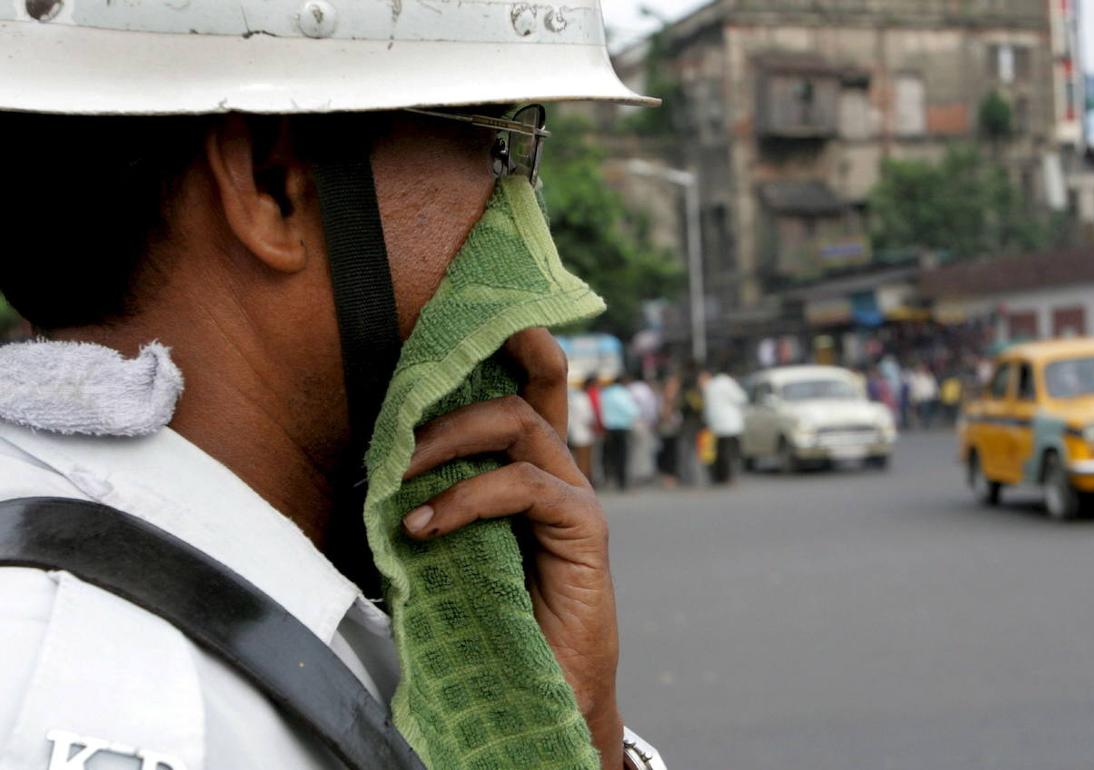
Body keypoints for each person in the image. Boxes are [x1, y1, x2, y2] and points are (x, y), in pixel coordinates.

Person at [0, 4, 664, 770]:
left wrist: (566, 729)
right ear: (272, 183)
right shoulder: (111, 695)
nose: (532, 256)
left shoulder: (279, 603)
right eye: (498, 149)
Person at [701, 368, 748, 485]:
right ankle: (728, 476)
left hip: (715, 424)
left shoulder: (710, 385)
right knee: (730, 453)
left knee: (719, 452)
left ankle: (719, 476)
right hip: (730, 424)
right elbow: (741, 398)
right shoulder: (728, 383)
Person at [599, 375, 640, 491]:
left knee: (609, 455)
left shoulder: (605, 393)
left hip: (608, 427)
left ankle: (608, 479)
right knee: (622, 455)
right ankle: (621, 481)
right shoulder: (624, 393)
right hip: (622, 427)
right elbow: (632, 410)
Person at [568, 379, 599, 486]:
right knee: (585, 461)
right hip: (585, 434)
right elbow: (588, 416)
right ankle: (584, 484)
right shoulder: (583, 399)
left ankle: (582, 483)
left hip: (575, 434)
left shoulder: (572, 399)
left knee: (579, 460)